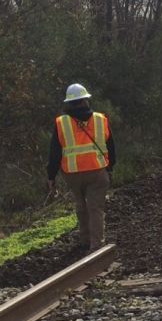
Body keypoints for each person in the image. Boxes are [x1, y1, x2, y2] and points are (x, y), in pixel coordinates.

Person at [47, 83, 115, 251]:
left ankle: (84, 240)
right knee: (96, 208)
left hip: (73, 174)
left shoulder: (61, 123)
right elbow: (111, 146)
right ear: (86, 100)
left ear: (69, 103)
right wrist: (110, 167)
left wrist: (51, 176)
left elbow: (55, 152)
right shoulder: (100, 119)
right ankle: (96, 246)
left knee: (81, 206)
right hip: (97, 171)